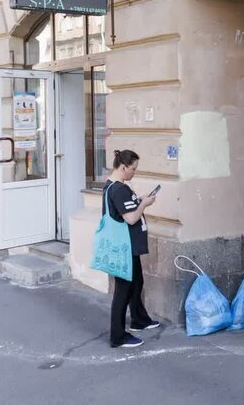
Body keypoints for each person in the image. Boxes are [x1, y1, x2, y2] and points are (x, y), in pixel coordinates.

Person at [105, 149, 160, 348]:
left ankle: (139, 319)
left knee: (137, 282)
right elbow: (130, 218)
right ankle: (117, 336)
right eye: (133, 169)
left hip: (127, 246)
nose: (134, 173)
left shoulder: (113, 186)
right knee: (123, 290)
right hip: (124, 247)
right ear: (123, 167)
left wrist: (138, 200)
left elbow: (123, 211)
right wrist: (144, 204)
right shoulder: (119, 189)